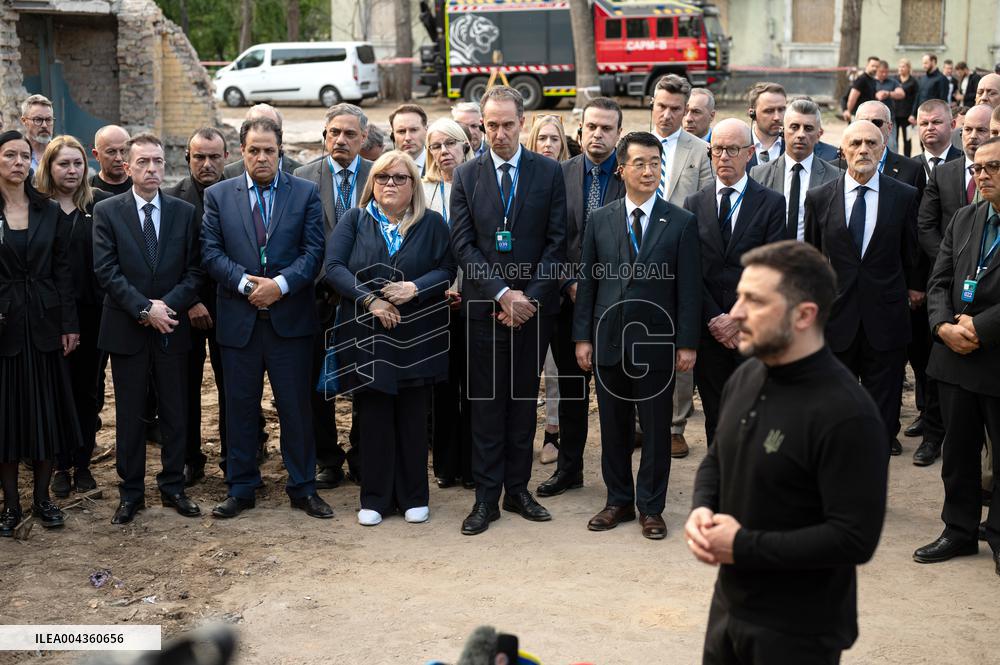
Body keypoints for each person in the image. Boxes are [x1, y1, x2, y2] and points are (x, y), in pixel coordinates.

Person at [686, 240, 888, 665]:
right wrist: (702, 508)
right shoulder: (746, 378)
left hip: (799, 632)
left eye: (754, 301)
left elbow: (854, 538)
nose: (735, 312)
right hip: (728, 609)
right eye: (739, 295)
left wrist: (743, 546)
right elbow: (718, 460)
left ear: (803, 315)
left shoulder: (847, 413)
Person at [201, 117, 332, 520]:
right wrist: (246, 286)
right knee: (239, 407)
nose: (261, 157)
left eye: (269, 150)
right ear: (241, 152)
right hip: (239, 320)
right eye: (254, 150)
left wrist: (279, 285)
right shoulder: (219, 195)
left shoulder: (305, 192)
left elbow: (314, 252)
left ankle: (303, 486)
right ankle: (241, 487)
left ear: (280, 152)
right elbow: (209, 252)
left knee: (296, 407)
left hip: (289, 319)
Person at [450, 85, 567, 536]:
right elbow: (463, 244)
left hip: (534, 311)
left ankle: (517, 490)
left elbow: (557, 242)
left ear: (524, 122)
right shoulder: (467, 175)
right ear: (481, 124)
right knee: (485, 404)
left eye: (507, 124)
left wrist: (528, 299)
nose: (498, 133)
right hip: (484, 309)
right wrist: (502, 295)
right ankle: (485, 498)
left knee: (521, 403)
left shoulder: (548, 173)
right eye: (490, 125)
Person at [573, 131, 700, 539]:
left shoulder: (681, 222)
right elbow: (589, 284)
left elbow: (689, 289)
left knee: (656, 428)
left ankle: (651, 507)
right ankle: (618, 501)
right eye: (640, 163)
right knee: (613, 427)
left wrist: (686, 343)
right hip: (608, 342)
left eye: (655, 162)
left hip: (657, 345)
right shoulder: (600, 220)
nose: (649, 170)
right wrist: (583, 338)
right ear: (622, 169)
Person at [325, 150, 455, 526]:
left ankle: (414, 494)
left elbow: (448, 268)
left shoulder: (431, 223)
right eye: (382, 178)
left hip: (417, 334)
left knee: (414, 418)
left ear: (414, 185)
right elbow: (333, 267)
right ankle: (376, 498)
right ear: (372, 184)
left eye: (400, 178)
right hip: (367, 333)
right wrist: (371, 301)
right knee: (374, 417)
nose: (390, 185)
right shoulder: (355, 219)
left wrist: (415, 288)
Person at [92, 133, 203, 525]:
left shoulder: (183, 212)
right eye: (143, 162)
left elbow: (195, 271)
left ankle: (174, 486)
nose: (152, 168)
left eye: (157, 161)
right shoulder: (107, 211)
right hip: (127, 329)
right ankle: (131, 493)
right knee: (130, 414)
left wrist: (165, 308)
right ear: (128, 166)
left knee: (175, 412)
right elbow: (106, 270)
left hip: (171, 326)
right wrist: (143, 309)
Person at [804, 120, 922, 455]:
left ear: (883, 148)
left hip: (886, 323)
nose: (863, 150)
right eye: (855, 143)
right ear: (842, 150)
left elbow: (910, 254)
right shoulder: (819, 198)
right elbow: (813, 259)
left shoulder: (904, 196)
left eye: (871, 143)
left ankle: (871, 493)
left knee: (882, 419)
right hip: (836, 322)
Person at [913, 136, 1000, 577]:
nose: (982, 175)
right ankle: (959, 531)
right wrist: (943, 326)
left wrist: (979, 328)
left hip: (995, 358)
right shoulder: (966, 218)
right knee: (959, 453)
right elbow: (938, 280)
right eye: (978, 167)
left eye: (993, 167)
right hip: (953, 359)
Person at [537, 97, 626, 500]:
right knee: (571, 391)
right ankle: (569, 470)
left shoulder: (630, 176)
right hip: (565, 299)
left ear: (618, 134)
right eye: (592, 126)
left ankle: (618, 480)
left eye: (607, 128)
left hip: (615, 303)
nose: (598, 134)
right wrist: (569, 281)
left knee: (615, 394)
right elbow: (548, 238)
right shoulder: (558, 173)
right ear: (580, 130)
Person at [686, 118, 785, 446]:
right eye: (717, 150)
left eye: (733, 149)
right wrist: (715, 318)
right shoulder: (694, 204)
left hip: (752, 328)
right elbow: (691, 271)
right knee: (716, 413)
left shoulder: (771, 203)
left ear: (750, 153)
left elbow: (771, 270)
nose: (724, 157)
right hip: (710, 328)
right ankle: (722, 481)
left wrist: (738, 318)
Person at [0, 130, 80, 535]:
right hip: (5, 327)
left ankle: (43, 500)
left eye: (22, 155)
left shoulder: (47, 210)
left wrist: (69, 324)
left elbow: (63, 272)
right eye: (9, 155)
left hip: (47, 326)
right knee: (8, 419)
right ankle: (11, 506)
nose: (17, 162)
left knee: (46, 415)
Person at [294, 103, 373, 489]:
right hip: (314, 297)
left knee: (364, 380)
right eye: (333, 133)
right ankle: (327, 459)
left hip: (363, 298)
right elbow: (297, 238)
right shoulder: (302, 177)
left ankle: (362, 455)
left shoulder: (380, 176)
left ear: (364, 138)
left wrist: (355, 286)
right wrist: (328, 278)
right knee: (315, 384)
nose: (340, 140)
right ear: (324, 136)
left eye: (349, 134)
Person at [912, 104, 993, 466]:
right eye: (969, 130)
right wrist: (942, 322)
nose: (973, 137)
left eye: (983, 131)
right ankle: (932, 436)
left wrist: (980, 324)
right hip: (947, 292)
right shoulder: (946, 176)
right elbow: (926, 226)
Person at [32, 135, 110, 498]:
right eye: (64, 164)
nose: (72, 171)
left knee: (87, 390)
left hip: (92, 314)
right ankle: (59, 464)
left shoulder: (100, 207)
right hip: (48, 317)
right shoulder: (36, 210)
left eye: (78, 163)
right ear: (49, 167)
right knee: (55, 391)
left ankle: (82, 463)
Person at [163, 127, 233, 486]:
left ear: (226, 156)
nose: (207, 164)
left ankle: (233, 458)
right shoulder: (171, 199)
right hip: (183, 311)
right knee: (183, 389)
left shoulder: (239, 193)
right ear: (187, 158)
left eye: (214, 157)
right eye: (199, 157)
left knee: (234, 388)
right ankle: (190, 458)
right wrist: (190, 301)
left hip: (232, 308)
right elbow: (165, 260)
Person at [650, 73, 713, 454]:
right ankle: (641, 420)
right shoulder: (632, 145)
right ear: (651, 105)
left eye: (677, 109)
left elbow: (704, 204)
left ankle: (675, 424)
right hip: (636, 260)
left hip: (680, 257)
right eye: (662, 106)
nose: (668, 115)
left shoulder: (698, 150)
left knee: (680, 340)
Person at [421, 118, 474, 489]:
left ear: (465, 147)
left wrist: (467, 291)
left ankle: (472, 465)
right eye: (436, 146)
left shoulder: (477, 184)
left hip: (474, 300)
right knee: (441, 388)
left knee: (472, 386)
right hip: (433, 303)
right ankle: (445, 464)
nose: (443, 152)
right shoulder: (421, 191)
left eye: (450, 144)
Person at [750, 98, 839, 241]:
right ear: (783, 131)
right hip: (772, 258)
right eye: (794, 127)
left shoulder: (836, 177)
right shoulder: (759, 174)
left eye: (808, 128)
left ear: (818, 135)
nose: (801, 134)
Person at [222, 104, 302, 179]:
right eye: (255, 126)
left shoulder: (301, 173)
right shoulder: (229, 174)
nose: (262, 131)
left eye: (270, 126)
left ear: (280, 134)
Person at [914, 99, 963, 177]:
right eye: (924, 123)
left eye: (936, 122)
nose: (929, 128)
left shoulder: (966, 163)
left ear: (952, 125)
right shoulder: (909, 167)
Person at [90, 125, 133, 195]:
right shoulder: (86, 192)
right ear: (96, 155)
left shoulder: (142, 188)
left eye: (123, 151)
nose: (119, 158)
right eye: (111, 152)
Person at [912, 54, 951, 124]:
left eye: (926, 63)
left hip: (934, 118)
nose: (923, 66)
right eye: (923, 63)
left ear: (933, 62)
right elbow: (918, 97)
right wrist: (913, 114)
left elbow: (943, 101)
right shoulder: (922, 79)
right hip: (922, 116)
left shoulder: (942, 79)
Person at [389, 104, 429, 173]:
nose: (407, 138)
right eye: (401, 131)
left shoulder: (440, 166)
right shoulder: (384, 168)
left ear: (426, 131)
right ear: (393, 135)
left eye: (413, 130)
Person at [19, 94, 54, 170]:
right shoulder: (15, 156)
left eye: (48, 120)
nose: (44, 125)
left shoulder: (60, 152)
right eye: (38, 120)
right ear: (24, 121)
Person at [843, 56, 880, 121]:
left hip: (867, 116)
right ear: (867, 65)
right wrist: (848, 111)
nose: (875, 68)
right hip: (858, 116)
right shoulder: (862, 79)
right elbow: (852, 98)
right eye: (873, 66)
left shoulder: (872, 80)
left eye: (877, 67)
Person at [895, 58, 920, 156]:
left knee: (907, 140)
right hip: (895, 115)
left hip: (908, 116)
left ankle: (907, 159)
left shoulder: (913, 81)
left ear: (908, 68)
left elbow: (916, 99)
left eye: (903, 66)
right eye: (900, 66)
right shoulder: (895, 80)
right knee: (894, 139)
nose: (901, 68)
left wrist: (913, 114)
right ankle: (895, 159)